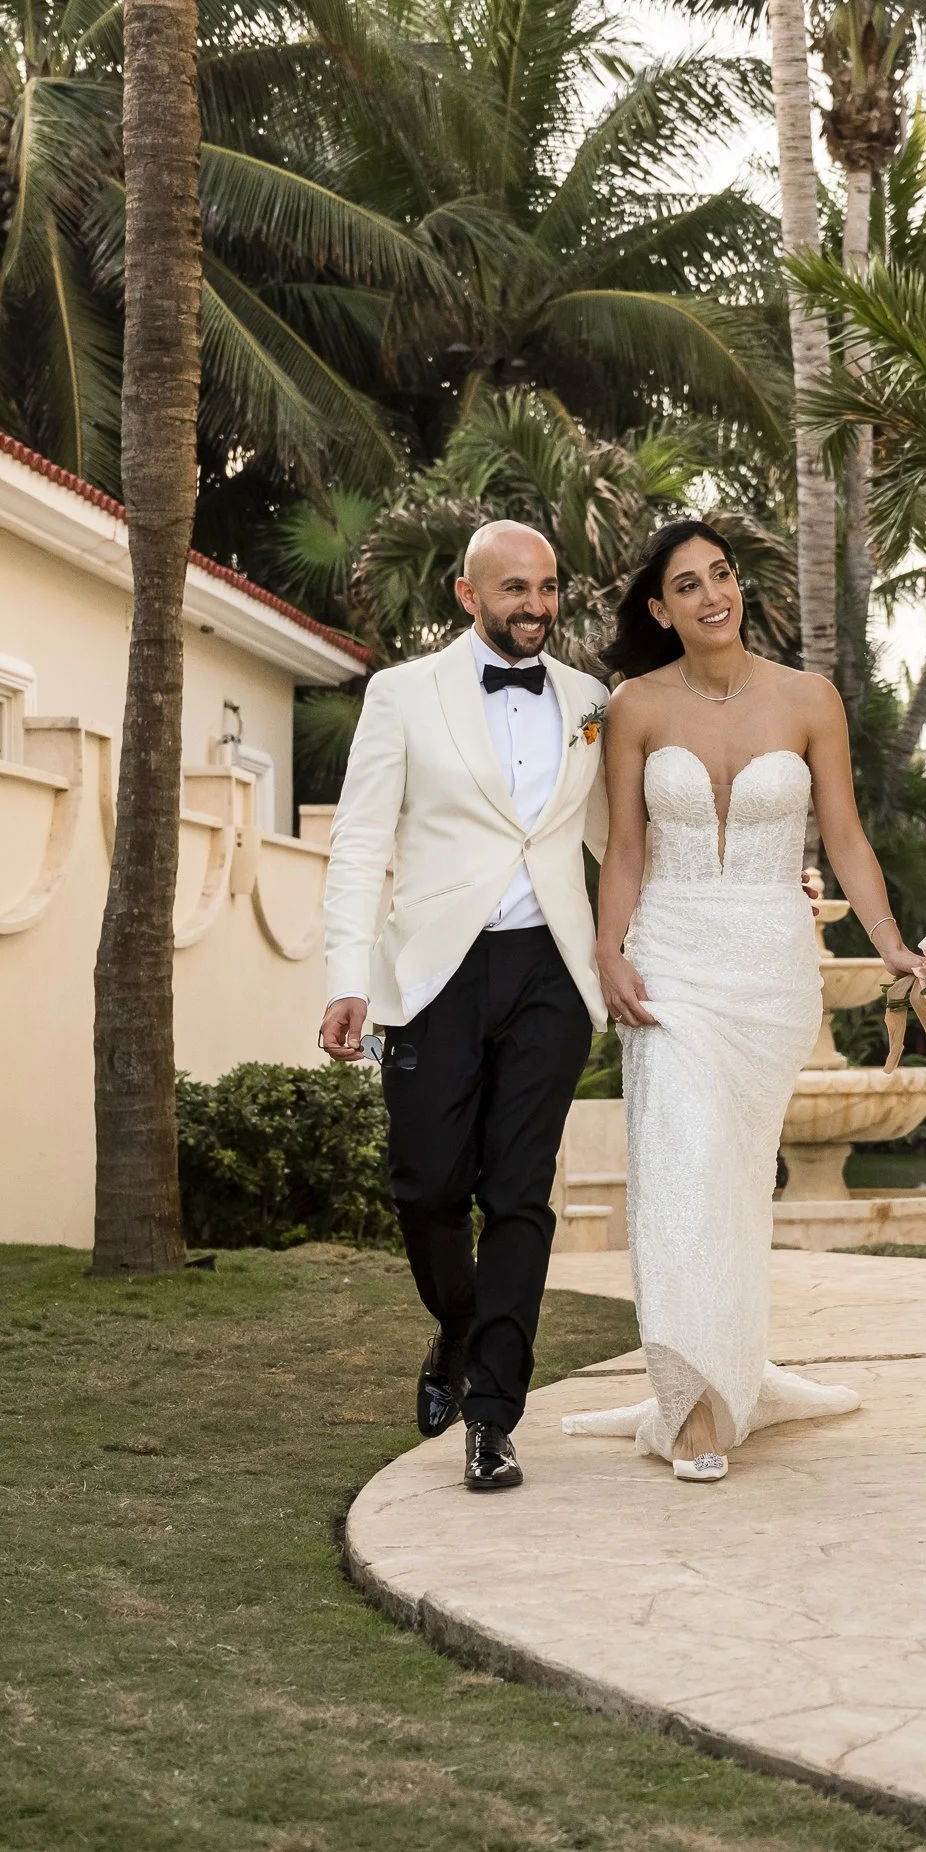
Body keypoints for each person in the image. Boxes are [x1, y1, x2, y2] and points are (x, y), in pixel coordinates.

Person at [562, 518, 926, 1483]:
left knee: (731, 1185)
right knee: (678, 1170)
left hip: (770, 969)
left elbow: (844, 837)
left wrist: (890, 943)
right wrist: (609, 950)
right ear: (659, 609)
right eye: (687, 584)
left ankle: (733, 1371)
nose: (712, 594)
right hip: (671, 956)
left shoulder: (810, 698)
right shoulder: (636, 706)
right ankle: (689, 1407)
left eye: (720, 574)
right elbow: (626, 847)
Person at [319, 522, 609, 1493]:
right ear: (467, 593)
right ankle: (458, 1326)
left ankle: (493, 1413)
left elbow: (620, 838)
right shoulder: (402, 694)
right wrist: (346, 975)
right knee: (428, 1186)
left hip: (550, 971)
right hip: (434, 970)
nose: (536, 604)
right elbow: (360, 841)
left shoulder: (590, 701)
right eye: (515, 587)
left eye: (548, 586)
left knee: (520, 1193)